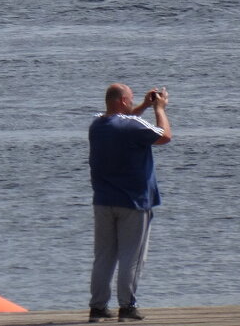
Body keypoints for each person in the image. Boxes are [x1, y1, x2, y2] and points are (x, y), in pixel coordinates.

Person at [88, 84, 172, 323]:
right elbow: (164, 136)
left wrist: (144, 105)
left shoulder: (97, 125)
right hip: (134, 202)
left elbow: (123, 121)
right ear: (124, 101)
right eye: (131, 99)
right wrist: (159, 109)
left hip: (104, 201)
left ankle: (98, 307)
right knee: (131, 257)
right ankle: (127, 307)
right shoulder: (131, 127)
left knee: (104, 256)